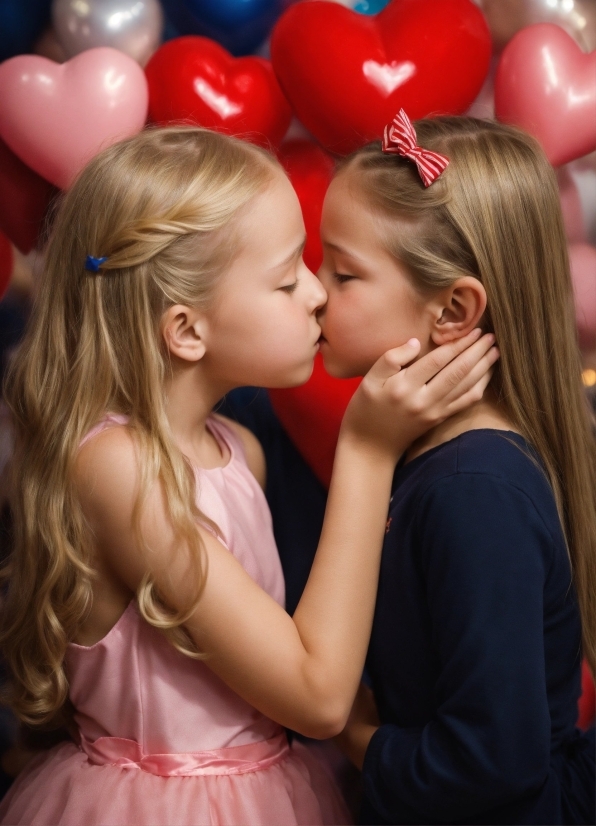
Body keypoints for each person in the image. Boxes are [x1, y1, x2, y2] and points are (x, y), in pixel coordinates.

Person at [0, 126, 497, 826]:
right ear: (187, 330)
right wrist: (368, 447)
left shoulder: (238, 449)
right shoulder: (121, 470)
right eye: (288, 277)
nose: (317, 296)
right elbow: (318, 697)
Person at [316, 111, 596, 825]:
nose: (315, 291)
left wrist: (356, 738)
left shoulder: (475, 493)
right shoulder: (436, 458)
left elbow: (491, 762)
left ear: (453, 310)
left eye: (342, 272)